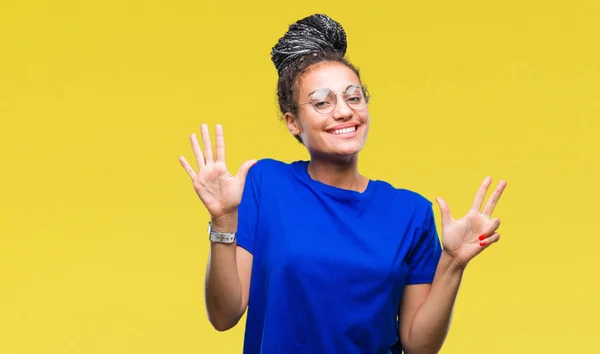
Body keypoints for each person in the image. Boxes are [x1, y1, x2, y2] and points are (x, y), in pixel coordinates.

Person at [179, 13, 507, 354]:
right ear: (293, 122)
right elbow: (224, 315)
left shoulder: (411, 212)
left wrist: (453, 263)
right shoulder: (265, 184)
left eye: (354, 97)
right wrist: (222, 220)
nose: (344, 111)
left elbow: (418, 346)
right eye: (322, 102)